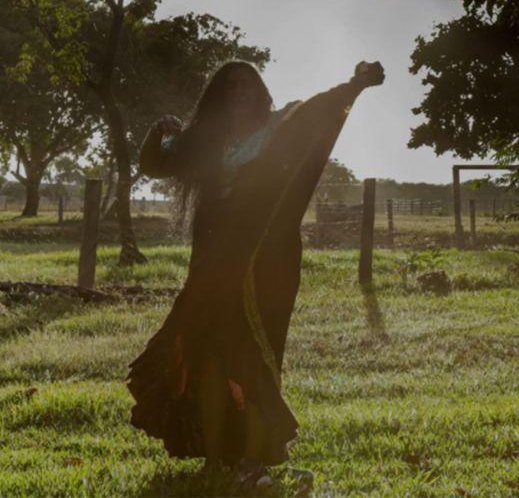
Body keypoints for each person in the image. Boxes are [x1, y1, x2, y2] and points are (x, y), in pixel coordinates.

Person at [126, 59, 384, 485]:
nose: (237, 90)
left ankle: (254, 453)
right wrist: (159, 133)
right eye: (228, 85)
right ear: (218, 95)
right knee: (203, 347)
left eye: (245, 83)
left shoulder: (281, 128)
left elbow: (323, 108)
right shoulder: (207, 140)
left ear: (261, 90)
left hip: (266, 258)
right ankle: (215, 450)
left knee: (253, 351)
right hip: (213, 260)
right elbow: (155, 165)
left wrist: (356, 84)